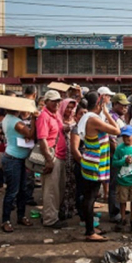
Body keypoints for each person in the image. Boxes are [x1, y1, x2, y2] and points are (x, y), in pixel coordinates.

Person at [78, 91, 120, 241]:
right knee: (90, 197)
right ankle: (90, 232)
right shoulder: (93, 119)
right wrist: (107, 114)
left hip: (90, 160)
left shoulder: (87, 117)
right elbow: (117, 130)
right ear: (99, 104)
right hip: (94, 163)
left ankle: (90, 227)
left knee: (90, 196)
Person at [1, 106, 37, 233]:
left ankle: (20, 216)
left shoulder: (8, 119)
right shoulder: (16, 122)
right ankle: (6, 220)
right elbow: (31, 134)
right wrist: (34, 118)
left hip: (16, 157)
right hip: (14, 159)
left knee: (21, 189)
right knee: (13, 191)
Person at [37, 90, 67, 229]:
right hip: (51, 156)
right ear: (46, 101)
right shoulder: (44, 116)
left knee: (57, 189)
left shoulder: (56, 115)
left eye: (58, 101)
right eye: (54, 101)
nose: (57, 103)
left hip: (59, 155)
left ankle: (52, 215)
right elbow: (42, 139)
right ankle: (49, 219)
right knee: (51, 189)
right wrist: (49, 159)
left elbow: (59, 130)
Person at [111, 125, 132, 233]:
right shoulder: (120, 148)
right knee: (122, 200)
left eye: (128, 136)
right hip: (122, 180)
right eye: (124, 137)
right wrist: (123, 161)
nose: (126, 139)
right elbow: (114, 163)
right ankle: (123, 218)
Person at [107, 93, 130, 223]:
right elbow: (112, 140)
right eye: (122, 105)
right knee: (115, 185)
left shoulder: (119, 117)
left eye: (126, 105)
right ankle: (114, 212)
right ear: (115, 104)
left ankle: (119, 208)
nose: (125, 107)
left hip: (121, 156)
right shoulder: (111, 118)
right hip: (115, 157)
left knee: (120, 184)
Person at [57, 98, 77, 220]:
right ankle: (62, 210)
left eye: (71, 107)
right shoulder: (58, 120)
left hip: (73, 156)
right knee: (62, 183)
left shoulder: (75, 120)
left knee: (72, 183)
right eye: (67, 107)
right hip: (61, 155)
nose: (69, 110)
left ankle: (71, 208)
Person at [70, 101, 88, 225]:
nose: (84, 116)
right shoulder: (76, 129)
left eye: (86, 113)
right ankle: (82, 216)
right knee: (81, 191)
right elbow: (75, 150)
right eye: (81, 113)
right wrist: (83, 163)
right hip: (81, 164)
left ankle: (86, 214)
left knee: (88, 192)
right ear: (76, 116)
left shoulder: (89, 127)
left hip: (90, 164)